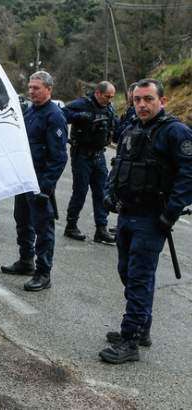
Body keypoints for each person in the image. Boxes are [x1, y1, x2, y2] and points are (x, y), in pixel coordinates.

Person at [99, 79, 192, 364]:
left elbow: (188, 175)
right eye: (137, 99)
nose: (142, 104)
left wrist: (169, 213)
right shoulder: (132, 128)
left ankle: (130, 341)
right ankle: (142, 327)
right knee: (126, 271)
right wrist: (109, 194)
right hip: (127, 214)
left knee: (139, 277)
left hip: (152, 218)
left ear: (161, 101)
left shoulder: (175, 132)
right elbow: (119, 165)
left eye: (148, 99)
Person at [1, 71, 68, 292]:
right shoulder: (30, 112)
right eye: (30, 87)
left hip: (39, 181)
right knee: (22, 220)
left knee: (43, 228)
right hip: (24, 177)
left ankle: (43, 273)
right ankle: (26, 261)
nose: (31, 91)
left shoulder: (54, 116)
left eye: (36, 88)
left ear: (48, 89)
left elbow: (58, 157)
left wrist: (46, 188)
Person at [62, 81, 118, 245]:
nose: (109, 99)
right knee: (80, 191)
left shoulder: (109, 108)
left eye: (112, 97)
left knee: (101, 192)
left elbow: (115, 127)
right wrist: (79, 117)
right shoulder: (82, 104)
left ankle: (101, 229)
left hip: (99, 154)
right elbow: (61, 115)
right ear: (98, 93)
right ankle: (71, 225)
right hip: (82, 154)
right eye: (107, 96)